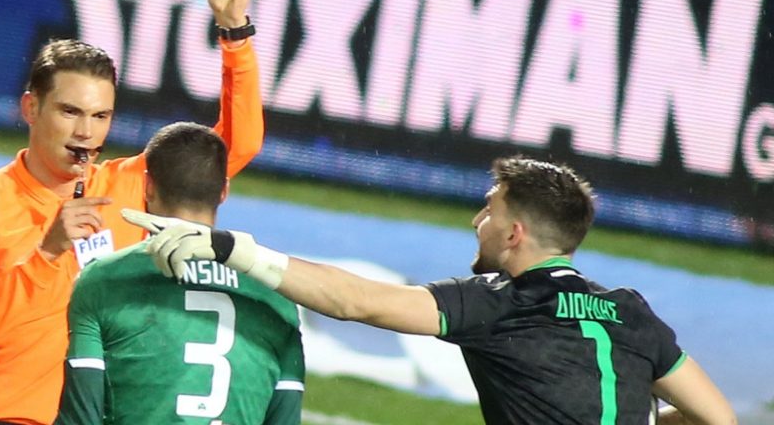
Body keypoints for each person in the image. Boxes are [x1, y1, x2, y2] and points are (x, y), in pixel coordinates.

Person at [124, 156, 737, 425]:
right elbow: (717, 418)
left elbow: (358, 302)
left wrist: (235, 249)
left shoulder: (499, 302)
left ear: (515, 234)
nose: (477, 221)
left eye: (488, 210)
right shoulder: (631, 312)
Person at [0, 0, 264, 425]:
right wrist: (47, 253)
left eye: (100, 116)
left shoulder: (130, 186)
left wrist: (235, 34)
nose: (86, 132)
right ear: (31, 108)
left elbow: (234, 146)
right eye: (70, 112)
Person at [56, 122, 303, 424]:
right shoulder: (278, 296)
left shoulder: (103, 279)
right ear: (224, 190)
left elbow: (80, 417)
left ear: (148, 186)